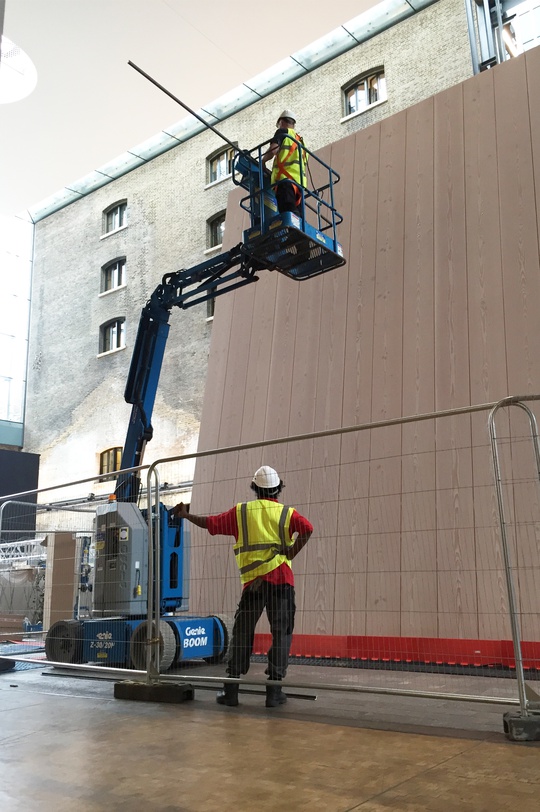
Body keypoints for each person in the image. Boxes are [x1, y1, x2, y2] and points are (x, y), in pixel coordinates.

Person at [172, 465, 313, 708]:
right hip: (281, 581)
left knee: (242, 632)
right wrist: (291, 551)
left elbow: (211, 524)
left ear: (254, 488)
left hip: (253, 585)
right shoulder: (287, 514)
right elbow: (308, 529)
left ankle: (232, 690)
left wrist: (185, 515)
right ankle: (274, 691)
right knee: (281, 633)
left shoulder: (241, 512)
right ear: (278, 489)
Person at [262, 110, 308, 215]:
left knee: (286, 214)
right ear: (293, 124)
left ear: (281, 123)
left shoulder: (282, 132)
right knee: (298, 219)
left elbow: (273, 150)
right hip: (299, 186)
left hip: (285, 183)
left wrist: (263, 161)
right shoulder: (301, 142)